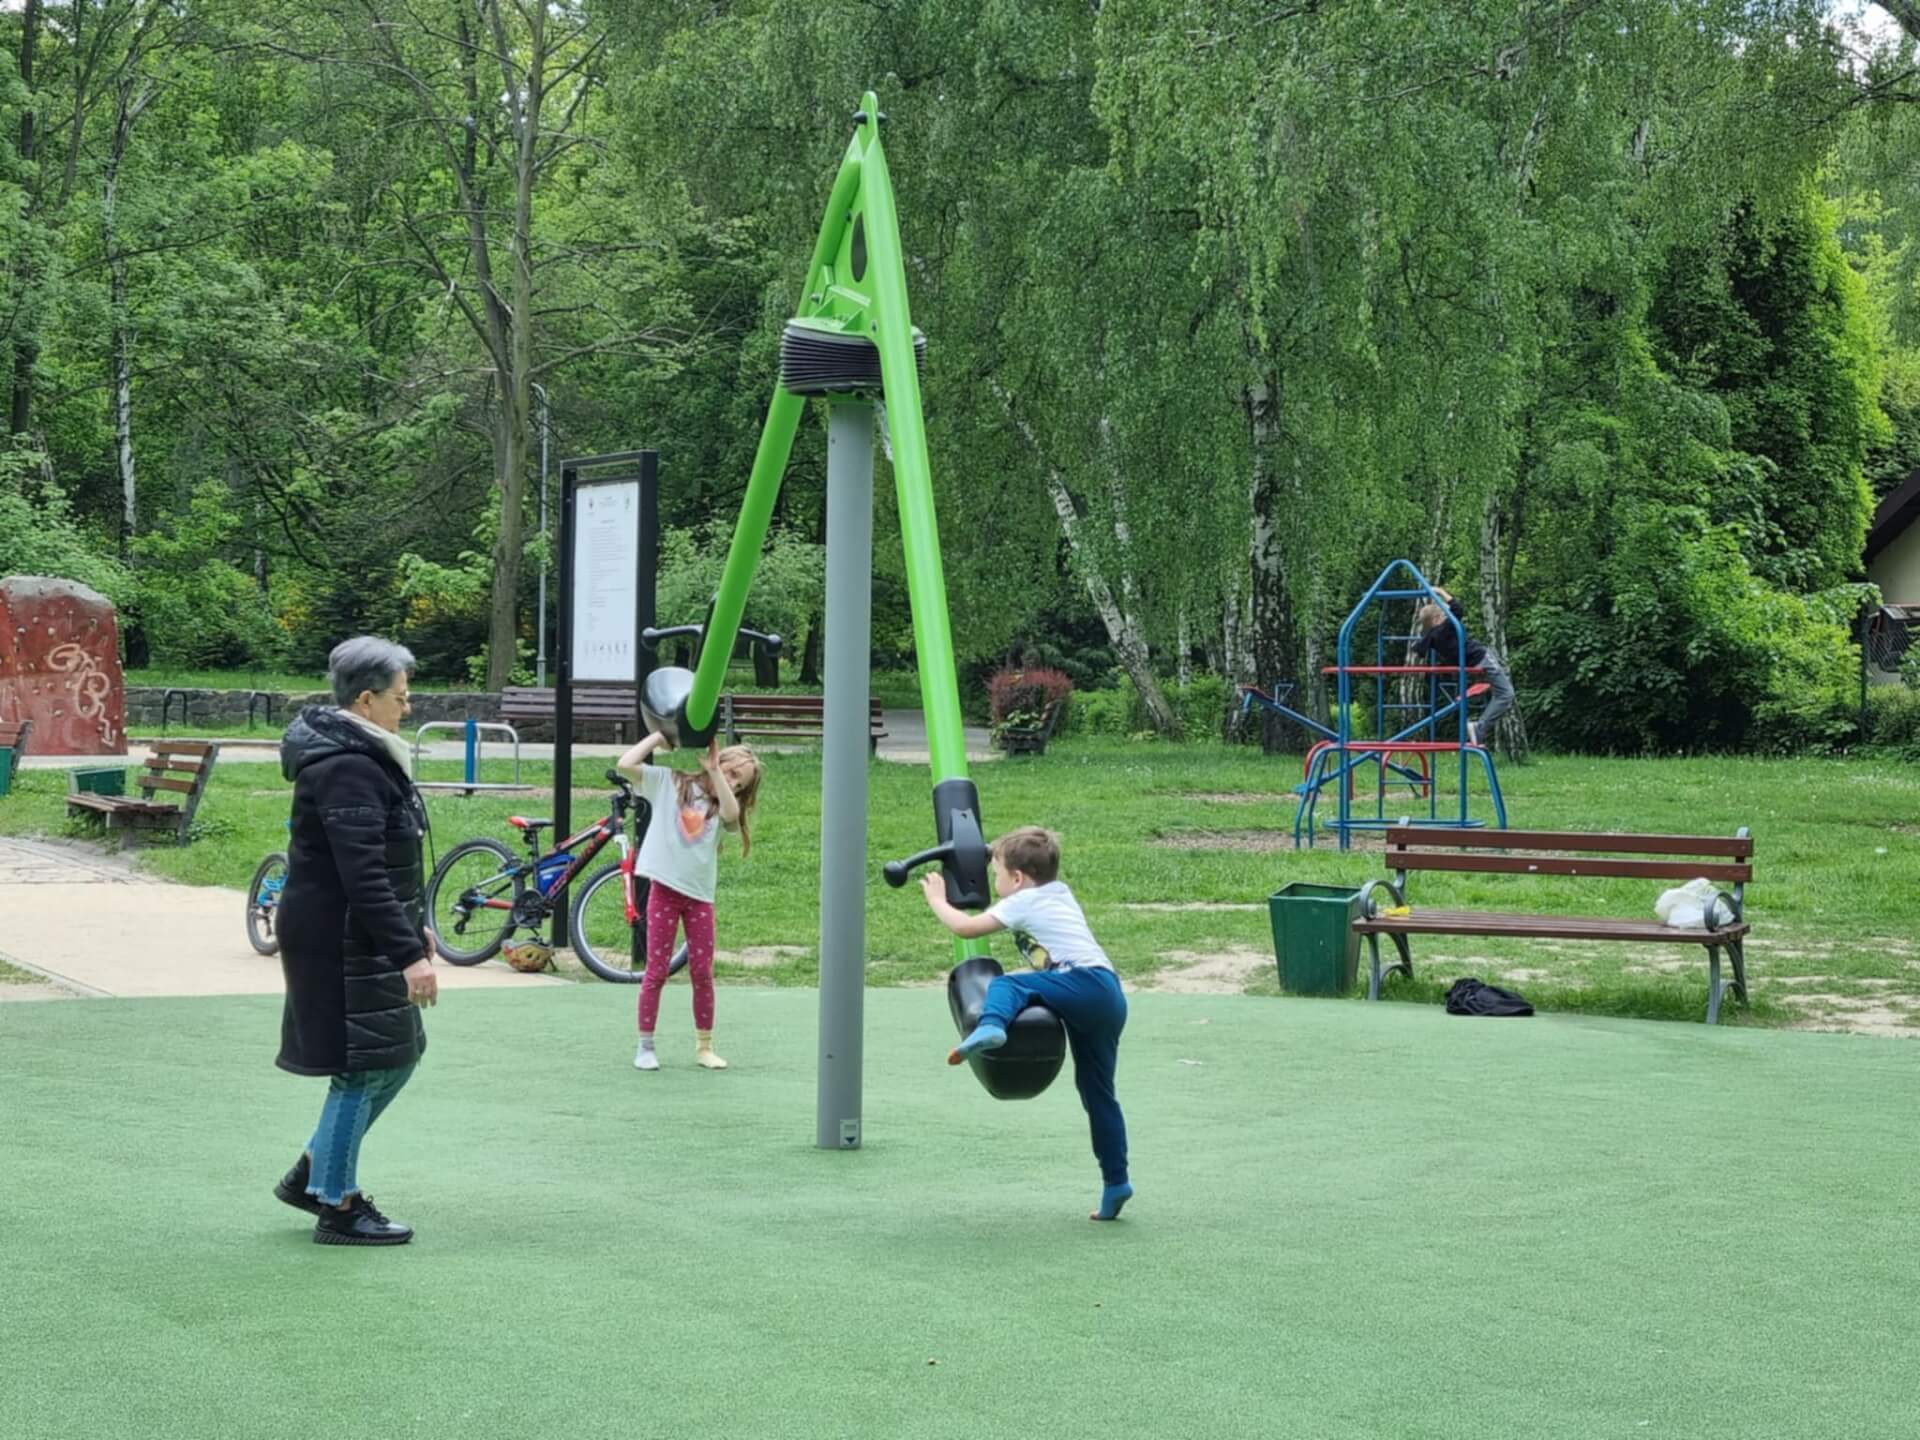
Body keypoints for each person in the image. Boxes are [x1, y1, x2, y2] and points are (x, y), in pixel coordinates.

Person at [271, 637, 436, 1247]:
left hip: (354, 933)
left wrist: (407, 925)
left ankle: (314, 1172)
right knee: (362, 1067)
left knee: (399, 1052)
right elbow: (360, 873)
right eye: (400, 697)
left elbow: (376, 870)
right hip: (336, 939)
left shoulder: (362, 754)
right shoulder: (347, 765)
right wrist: (409, 955)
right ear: (366, 700)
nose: (408, 707)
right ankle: (337, 1205)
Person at [919, 826, 1132, 1222]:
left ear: (1017, 879)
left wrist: (937, 899)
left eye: (996, 873)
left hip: (1083, 984)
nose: (994, 880)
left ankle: (991, 1026)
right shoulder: (1059, 892)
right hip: (1109, 994)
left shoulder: (1025, 901)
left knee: (1007, 983)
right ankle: (1115, 1183)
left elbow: (965, 928)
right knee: (1099, 1095)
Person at [614, 730, 763, 1072]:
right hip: (665, 891)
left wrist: (715, 773)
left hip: (699, 899)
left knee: (702, 972)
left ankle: (705, 1046)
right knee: (656, 970)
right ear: (722, 759)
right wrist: (657, 737)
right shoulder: (671, 783)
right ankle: (645, 1045)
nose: (732, 783)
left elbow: (730, 812)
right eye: (732, 773)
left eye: (739, 783)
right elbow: (625, 764)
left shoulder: (723, 805)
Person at [1410, 585, 1515, 745]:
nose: (1447, 616)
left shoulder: (1430, 637)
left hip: (1472, 663)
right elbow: (1458, 610)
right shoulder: (1445, 628)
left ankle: (1479, 729)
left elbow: (1417, 649)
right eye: (1444, 615)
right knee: (1506, 694)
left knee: (1498, 689)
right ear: (1437, 619)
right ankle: (1479, 727)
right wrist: (1442, 592)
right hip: (1481, 657)